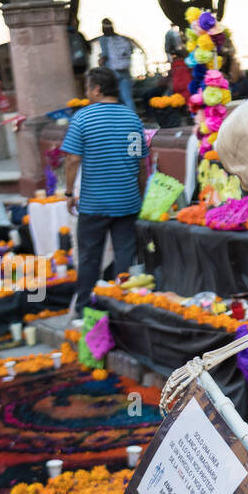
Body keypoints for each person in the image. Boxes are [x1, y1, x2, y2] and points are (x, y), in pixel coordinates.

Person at [62, 66, 146, 311]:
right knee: (125, 257)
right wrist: (139, 195)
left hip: (95, 204)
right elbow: (141, 164)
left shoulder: (83, 118)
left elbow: (72, 159)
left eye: (88, 88)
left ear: (97, 89)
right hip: (128, 202)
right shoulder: (133, 118)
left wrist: (68, 193)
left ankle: (85, 308)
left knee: (89, 258)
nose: (87, 92)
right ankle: (122, 306)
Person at [97, 18, 136, 112]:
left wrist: (100, 63)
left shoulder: (103, 39)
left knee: (112, 99)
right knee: (128, 98)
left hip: (111, 72)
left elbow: (105, 55)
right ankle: (133, 118)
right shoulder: (123, 38)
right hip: (125, 70)